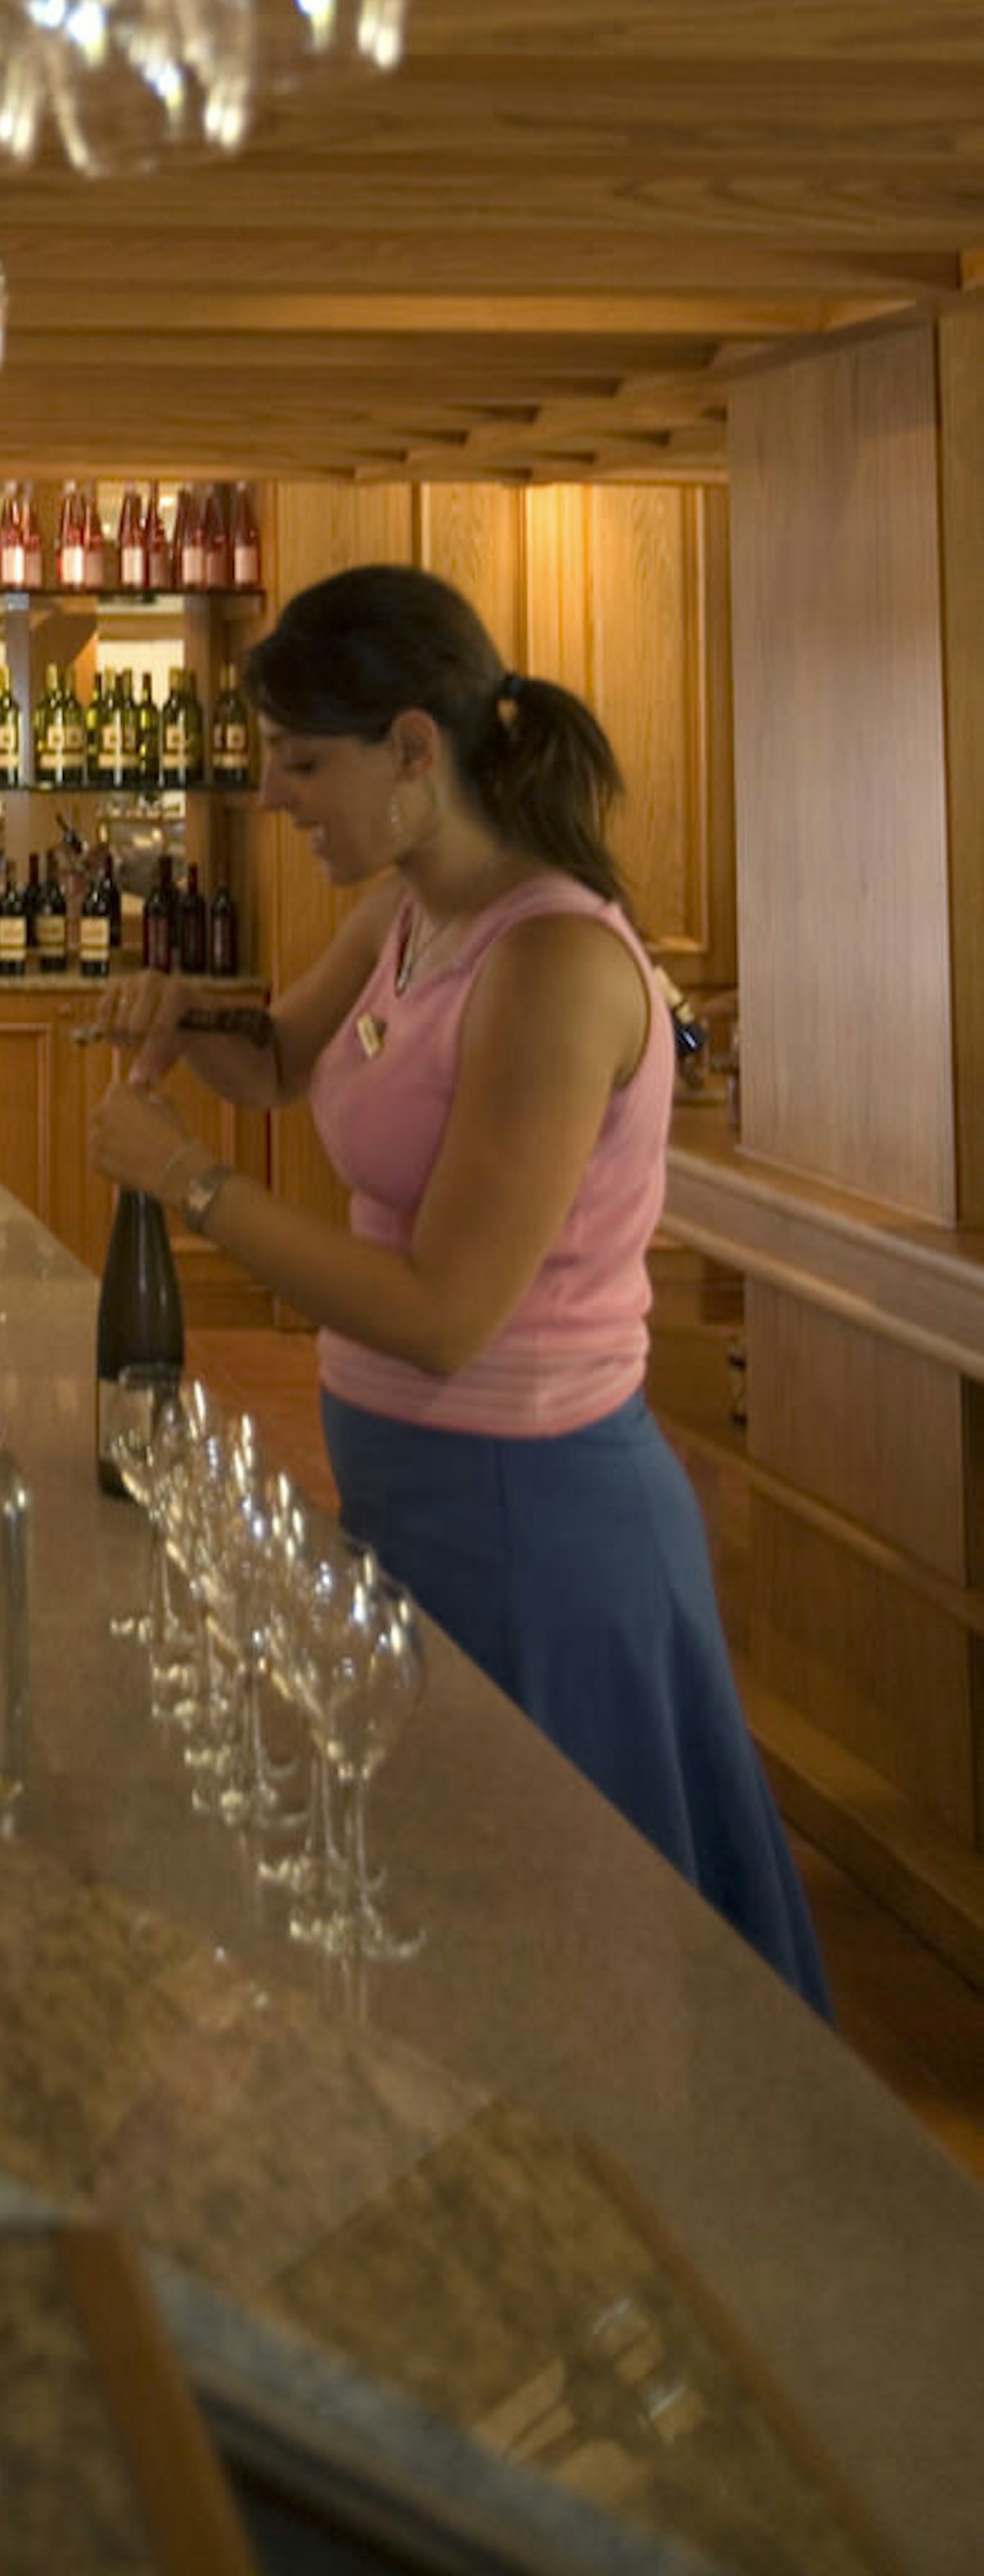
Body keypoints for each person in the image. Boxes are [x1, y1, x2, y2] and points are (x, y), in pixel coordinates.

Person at [88, 563, 828, 2011]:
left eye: (304, 761)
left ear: (414, 750)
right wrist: (191, 1019)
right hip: (418, 1483)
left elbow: (445, 1310)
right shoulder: (405, 915)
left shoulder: (553, 958)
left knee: (581, 1979)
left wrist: (188, 1183)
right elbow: (291, 1062)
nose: (275, 796)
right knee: (460, 1937)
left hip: (540, 1511)